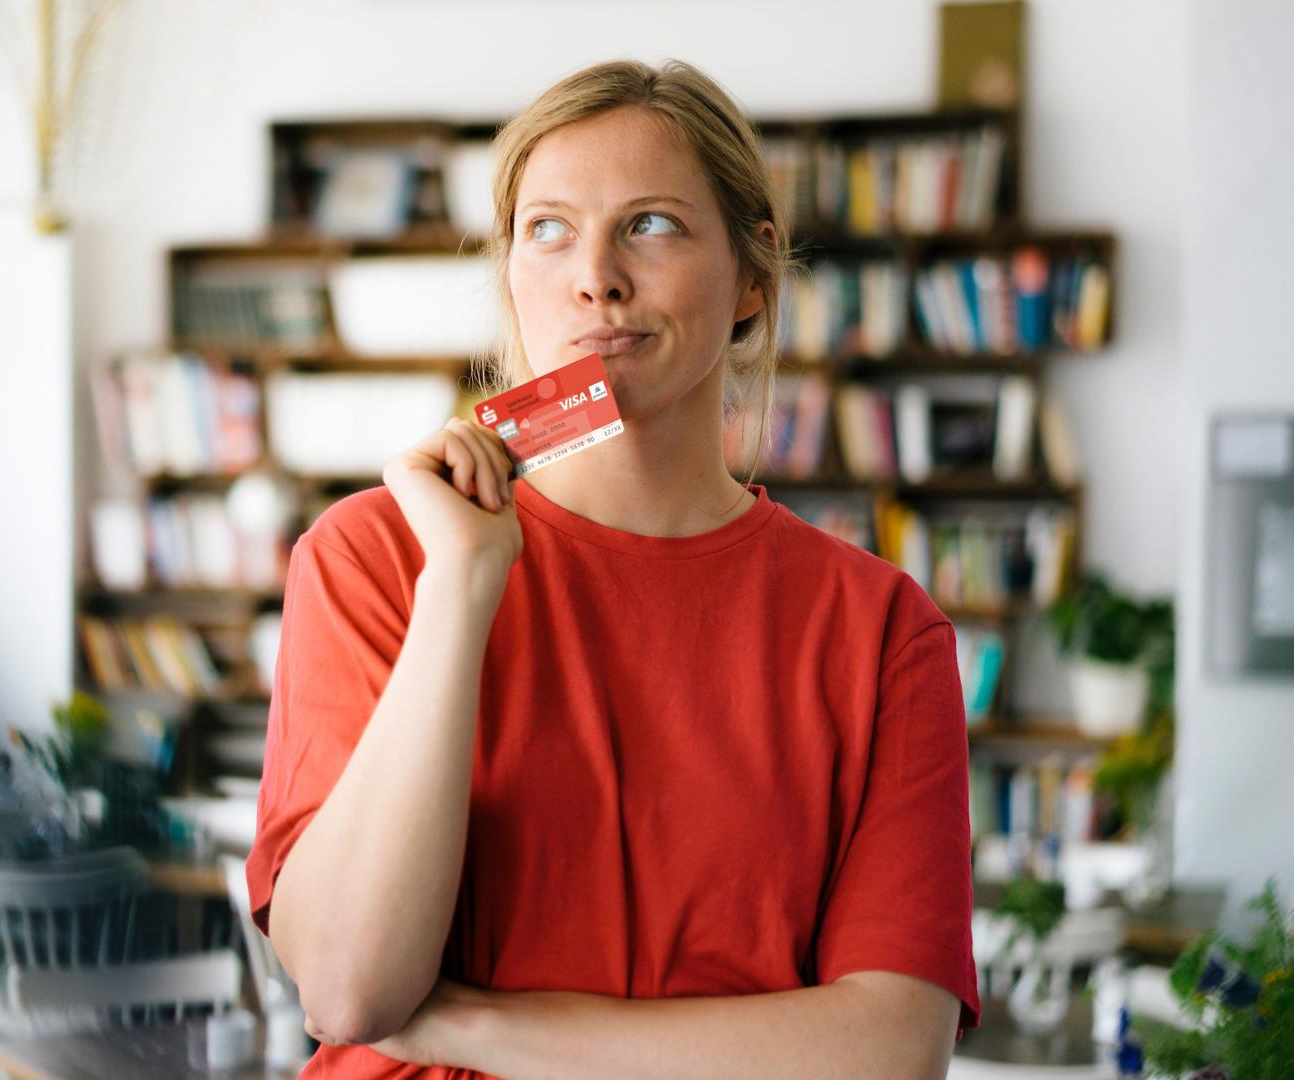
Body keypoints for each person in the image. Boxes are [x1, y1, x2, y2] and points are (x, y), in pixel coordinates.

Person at [246, 58, 979, 1080]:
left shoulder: (882, 631)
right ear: (511, 271)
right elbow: (352, 990)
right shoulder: (373, 559)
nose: (596, 276)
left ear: (753, 276)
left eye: (653, 225)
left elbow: (892, 1053)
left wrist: (471, 1025)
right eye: (548, 229)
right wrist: (459, 587)